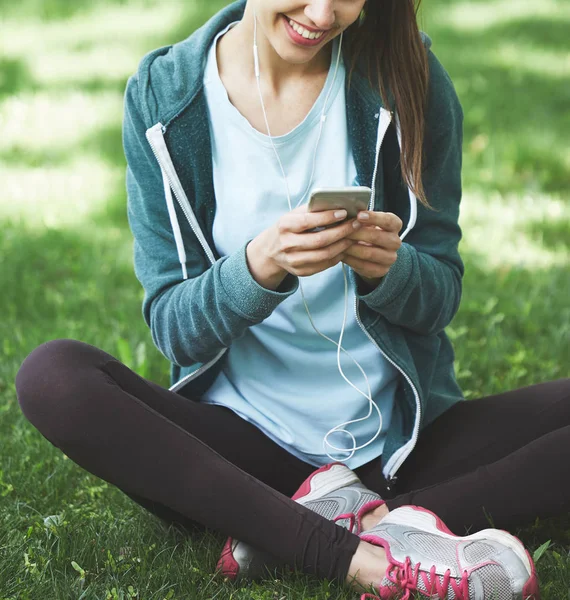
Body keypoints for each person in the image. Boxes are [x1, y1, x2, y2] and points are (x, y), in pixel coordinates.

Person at [16, 0, 569, 597]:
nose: (323, 13)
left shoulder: (408, 76)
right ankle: (365, 556)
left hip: (398, 445)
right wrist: (259, 267)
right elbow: (175, 327)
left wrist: (392, 270)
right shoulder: (164, 97)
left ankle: (318, 525)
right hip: (248, 455)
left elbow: (439, 299)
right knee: (53, 376)